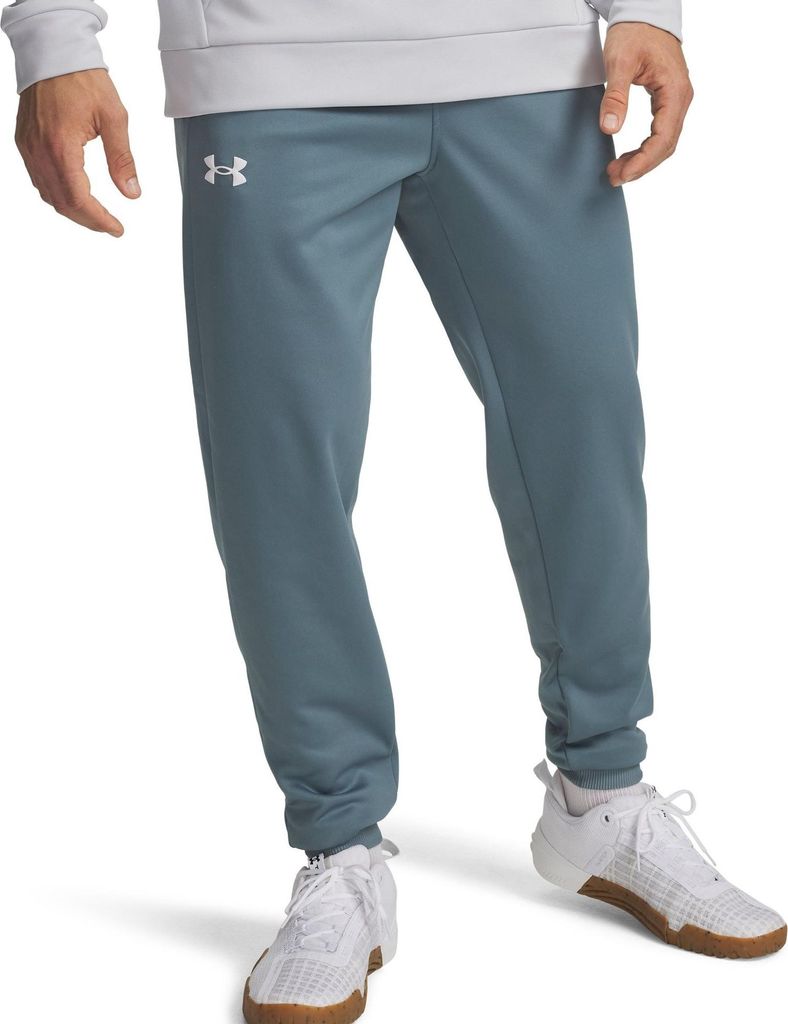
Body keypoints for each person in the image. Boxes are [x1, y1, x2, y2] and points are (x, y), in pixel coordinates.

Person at [3, 0, 784, 1020]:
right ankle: (339, 848)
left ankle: (601, 794)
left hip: (530, 61)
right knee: (279, 468)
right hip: (268, 69)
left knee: (583, 427)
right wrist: (52, 39)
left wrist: (644, 8)